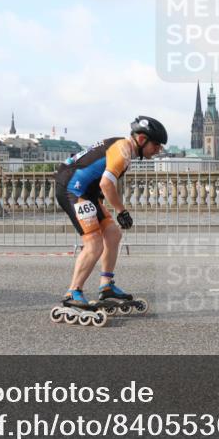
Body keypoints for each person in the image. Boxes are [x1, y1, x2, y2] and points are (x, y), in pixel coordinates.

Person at [51, 116, 165, 324]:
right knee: (94, 244)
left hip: (86, 192)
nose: (158, 150)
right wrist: (121, 211)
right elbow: (106, 184)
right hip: (72, 189)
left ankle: (106, 285)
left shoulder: (124, 148)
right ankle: (73, 292)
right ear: (141, 139)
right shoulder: (122, 151)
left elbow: (98, 178)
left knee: (113, 234)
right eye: (156, 145)